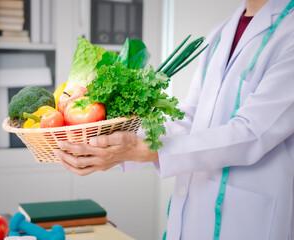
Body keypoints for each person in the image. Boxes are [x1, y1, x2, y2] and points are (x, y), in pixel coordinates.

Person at [54, 0, 294, 239]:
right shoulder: (221, 32)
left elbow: (251, 134)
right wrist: (118, 143)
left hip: (247, 220)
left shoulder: (289, 31)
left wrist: (145, 150)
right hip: (193, 209)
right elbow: (190, 118)